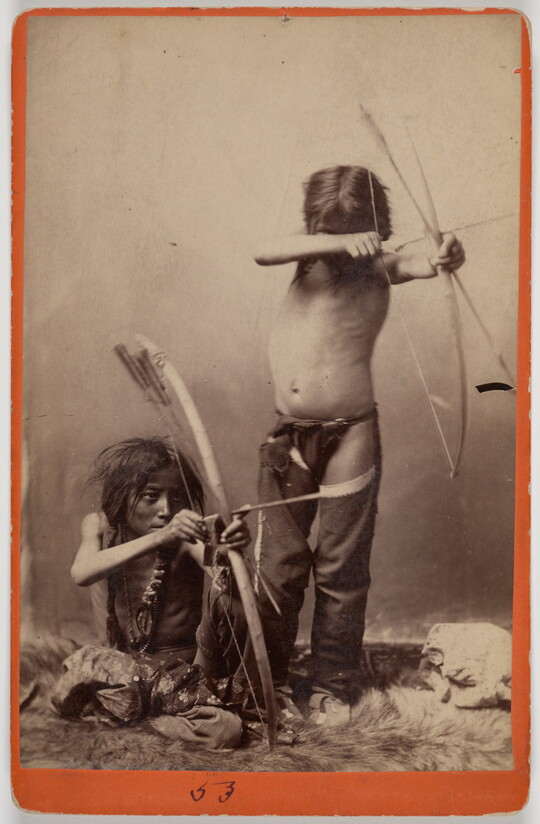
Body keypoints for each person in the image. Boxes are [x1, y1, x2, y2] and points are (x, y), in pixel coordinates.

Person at [252, 165, 466, 726]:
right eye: (329, 231)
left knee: (342, 570)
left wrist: (447, 254)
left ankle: (331, 686)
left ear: (376, 226)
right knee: (277, 567)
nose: (343, 244)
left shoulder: (380, 268)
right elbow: (262, 250)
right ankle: (271, 681)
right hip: (289, 438)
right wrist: (334, 242)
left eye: (354, 230)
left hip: (353, 433)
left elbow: (424, 261)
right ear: (315, 228)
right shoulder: (306, 264)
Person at [52, 436, 253, 749]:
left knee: (225, 729)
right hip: (127, 672)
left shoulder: (186, 536)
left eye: (176, 497)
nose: (166, 510)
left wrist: (231, 550)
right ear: (121, 495)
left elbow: (228, 582)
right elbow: (82, 573)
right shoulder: (99, 526)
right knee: (69, 691)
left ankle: (137, 719)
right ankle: (141, 713)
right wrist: (161, 537)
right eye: (151, 496)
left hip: (188, 675)